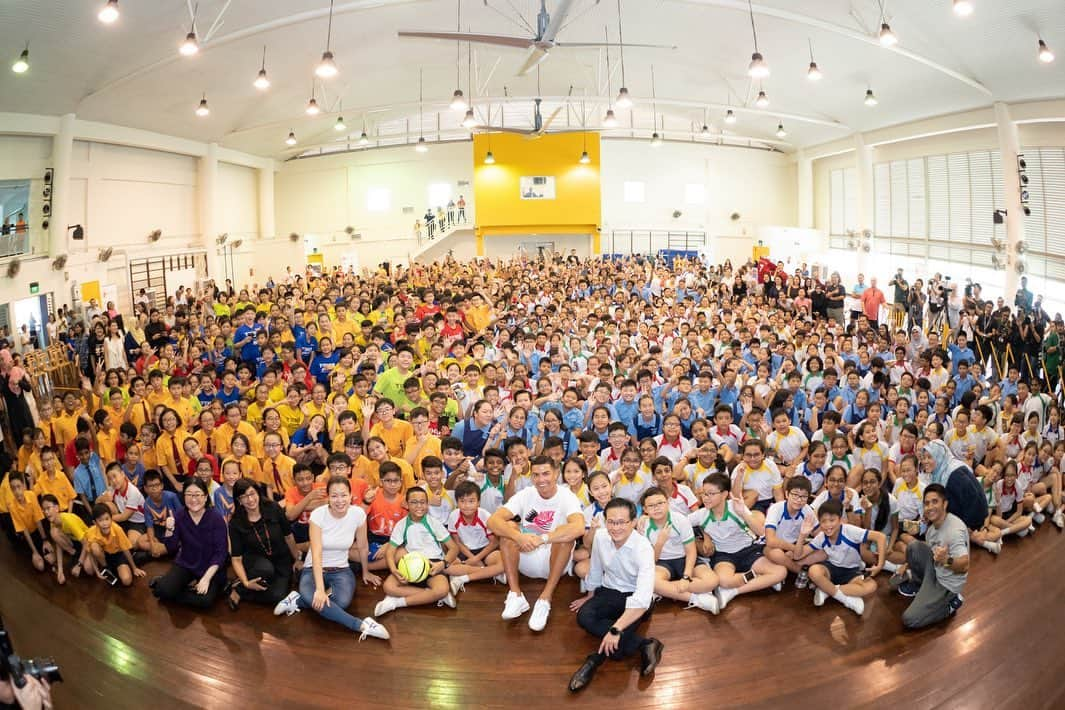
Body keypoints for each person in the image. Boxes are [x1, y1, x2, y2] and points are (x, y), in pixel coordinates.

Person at [272, 476, 390, 641]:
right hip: (313, 568)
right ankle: (362, 625)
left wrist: (366, 571)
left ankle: (299, 600)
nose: (339, 500)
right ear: (328, 497)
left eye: (344, 495)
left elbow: (363, 546)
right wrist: (320, 590)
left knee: (340, 603)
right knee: (320, 599)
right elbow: (317, 552)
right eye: (334, 496)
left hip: (341, 568)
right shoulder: (318, 515)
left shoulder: (357, 514)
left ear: (351, 496)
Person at [567, 497, 662, 692]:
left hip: (635, 599)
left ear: (633, 523)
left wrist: (615, 630)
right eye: (611, 521)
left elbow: (642, 599)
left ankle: (593, 661)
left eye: (622, 522)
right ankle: (646, 644)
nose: (615, 528)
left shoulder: (643, 548)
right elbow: (595, 569)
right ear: (604, 520)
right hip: (609, 590)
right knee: (584, 616)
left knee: (617, 649)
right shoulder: (601, 537)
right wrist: (589, 595)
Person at [487, 455, 585, 631]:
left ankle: (545, 599)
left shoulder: (566, 496)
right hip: (526, 554)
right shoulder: (526, 494)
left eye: (546, 474)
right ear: (532, 477)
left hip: (553, 560)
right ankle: (515, 594)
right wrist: (518, 537)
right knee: (508, 528)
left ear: (556, 474)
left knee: (565, 537)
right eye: (536, 475)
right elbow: (493, 521)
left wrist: (543, 538)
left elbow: (578, 527)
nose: (541, 479)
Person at [891, 483, 970, 629]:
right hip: (936, 568)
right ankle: (918, 583)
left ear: (945, 504)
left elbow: (964, 566)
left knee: (910, 619)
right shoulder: (932, 529)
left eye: (935, 502)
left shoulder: (954, 530)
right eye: (927, 503)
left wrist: (946, 560)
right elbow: (929, 550)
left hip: (947, 584)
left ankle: (950, 604)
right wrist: (907, 564)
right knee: (913, 547)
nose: (930, 507)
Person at [374, 487, 460, 615]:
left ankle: (395, 603)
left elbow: (454, 548)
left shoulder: (434, 523)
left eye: (423, 502)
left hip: (433, 564)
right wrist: (394, 570)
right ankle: (433, 596)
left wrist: (443, 564)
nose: (419, 506)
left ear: (427, 504)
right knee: (388, 587)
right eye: (414, 502)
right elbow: (390, 552)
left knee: (442, 589)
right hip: (410, 565)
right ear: (407, 504)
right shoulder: (401, 525)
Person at [151, 479, 228, 608]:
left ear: (205, 497)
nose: (193, 499)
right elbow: (171, 547)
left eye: (197, 494)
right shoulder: (179, 515)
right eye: (189, 494)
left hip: (211, 567)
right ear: (184, 496)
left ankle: (178, 587)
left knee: (205, 602)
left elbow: (221, 553)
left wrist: (206, 578)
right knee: (162, 591)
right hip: (187, 562)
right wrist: (169, 529)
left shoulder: (216, 518)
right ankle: (175, 586)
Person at [227, 478, 301, 611]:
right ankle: (242, 586)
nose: (250, 500)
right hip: (255, 559)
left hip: (281, 558)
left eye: (252, 494)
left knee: (278, 596)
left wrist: (297, 559)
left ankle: (240, 590)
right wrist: (246, 582)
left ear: (258, 493)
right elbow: (236, 558)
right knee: (266, 570)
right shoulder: (236, 522)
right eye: (244, 497)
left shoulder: (273, 508)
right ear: (239, 500)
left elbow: (288, 536)